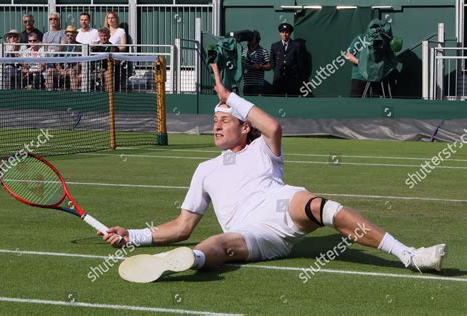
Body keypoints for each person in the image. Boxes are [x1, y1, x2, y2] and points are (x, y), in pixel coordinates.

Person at [103, 63, 446, 283]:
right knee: (218, 245)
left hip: (280, 205)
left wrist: (229, 96)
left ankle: (409, 255)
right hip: (250, 233)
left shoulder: (262, 146)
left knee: (321, 207)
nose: (217, 126)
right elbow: (182, 226)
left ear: (245, 127)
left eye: (225, 120)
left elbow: (274, 125)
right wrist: (132, 235)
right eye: (214, 121)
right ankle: (184, 261)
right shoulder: (204, 170)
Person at [270, 23, 307, 96]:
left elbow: (300, 63)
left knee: (292, 101)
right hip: (279, 79)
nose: (284, 34)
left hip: (292, 80)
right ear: (280, 33)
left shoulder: (296, 45)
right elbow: (273, 63)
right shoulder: (274, 46)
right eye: (282, 32)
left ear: (290, 33)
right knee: (278, 101)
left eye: (287, 32)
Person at [242, 30, 271, 96]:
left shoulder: (263, 51)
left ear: (257, 39)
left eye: (252, 38)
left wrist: (260, 66)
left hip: (257, 85)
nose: (250, 40)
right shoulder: (244, 51)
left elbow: (269, 66)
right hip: (246, 84)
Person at [43, 12, 66, 90]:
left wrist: (55, 51)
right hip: (48, 62)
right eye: (51, 19)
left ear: (59, 20)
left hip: (59, 62)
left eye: (55, 19)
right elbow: (45, 48)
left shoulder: (63, 33)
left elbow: (63, 46)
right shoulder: (46, 34)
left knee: (50, 72)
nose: (53, 20)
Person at [58, 25, 82, 91]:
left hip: (74, 70)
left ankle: (74, 93)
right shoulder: (62, 47)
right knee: (49, 71)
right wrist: (60, 69)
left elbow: (82, 62)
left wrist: (77, 66)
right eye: (68, 35)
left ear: (75, 35)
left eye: (72, 35)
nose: (69, 37)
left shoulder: (81, 47)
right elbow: (57, 60)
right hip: (63, 70)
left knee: (72, 72)